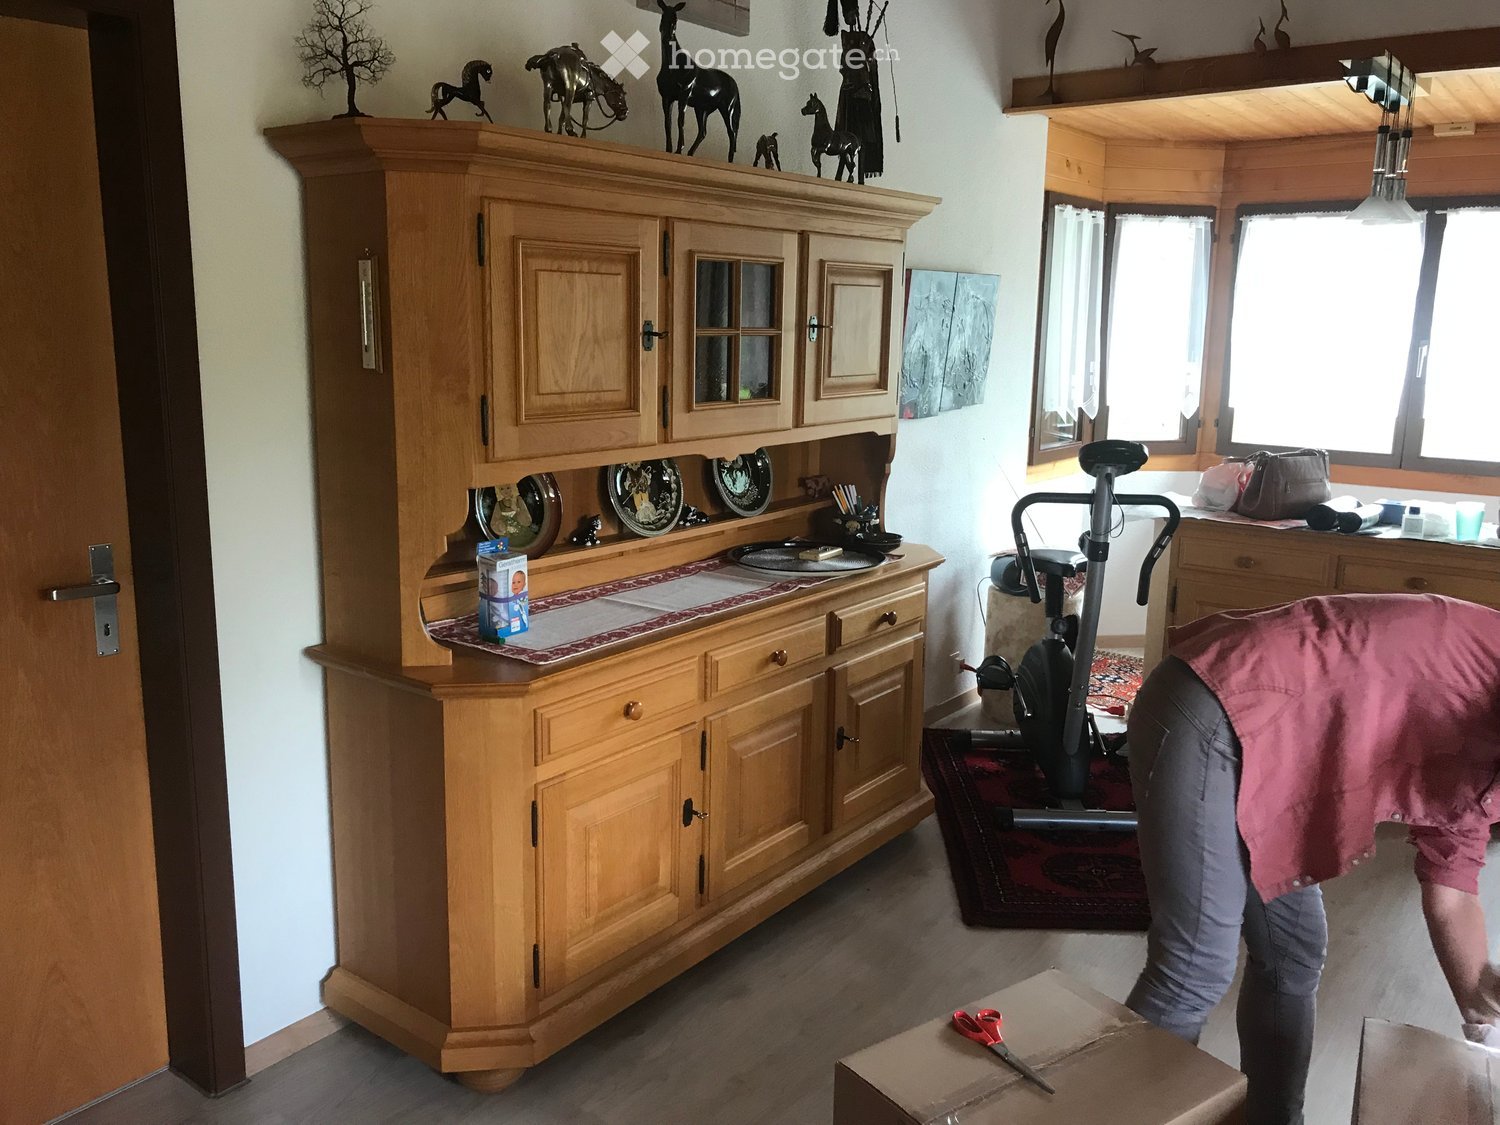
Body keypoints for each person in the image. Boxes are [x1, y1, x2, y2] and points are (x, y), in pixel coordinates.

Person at [1124, 593, 1500, 1125]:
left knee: (1293, 949)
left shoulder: (1483, 746)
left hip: (1279, 738)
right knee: (1194, 966)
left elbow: (1452, 890)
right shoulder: (1485, 672)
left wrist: (1486, 1023)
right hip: (1220, 701)